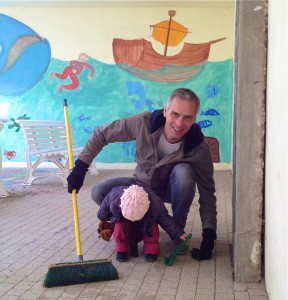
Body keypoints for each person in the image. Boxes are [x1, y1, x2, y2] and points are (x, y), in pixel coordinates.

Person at [67, 88, 217, 259]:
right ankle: (132, 223)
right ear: (166, 111)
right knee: (99, 192)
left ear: (194, 119)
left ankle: (177, 230)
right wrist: (80, 168)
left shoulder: (199, 147)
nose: (180, 123)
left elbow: (207, 193)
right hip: (140, 186)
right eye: (175, 114)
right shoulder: (143, 122)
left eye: (188, 117)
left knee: (184, 173)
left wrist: (209, 235)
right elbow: (102, 134)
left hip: (170, 190)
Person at [97, 183, 187, 262]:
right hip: (122, 218)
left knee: (152, 228)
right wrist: (102, 219)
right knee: (119, 228)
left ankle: (151, 249)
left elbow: (166, 220)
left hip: (147, 219)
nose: (133, 220)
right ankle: (121, 249)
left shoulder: (155, 205)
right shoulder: (114, 197)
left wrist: (178, 233)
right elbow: (104, 208)